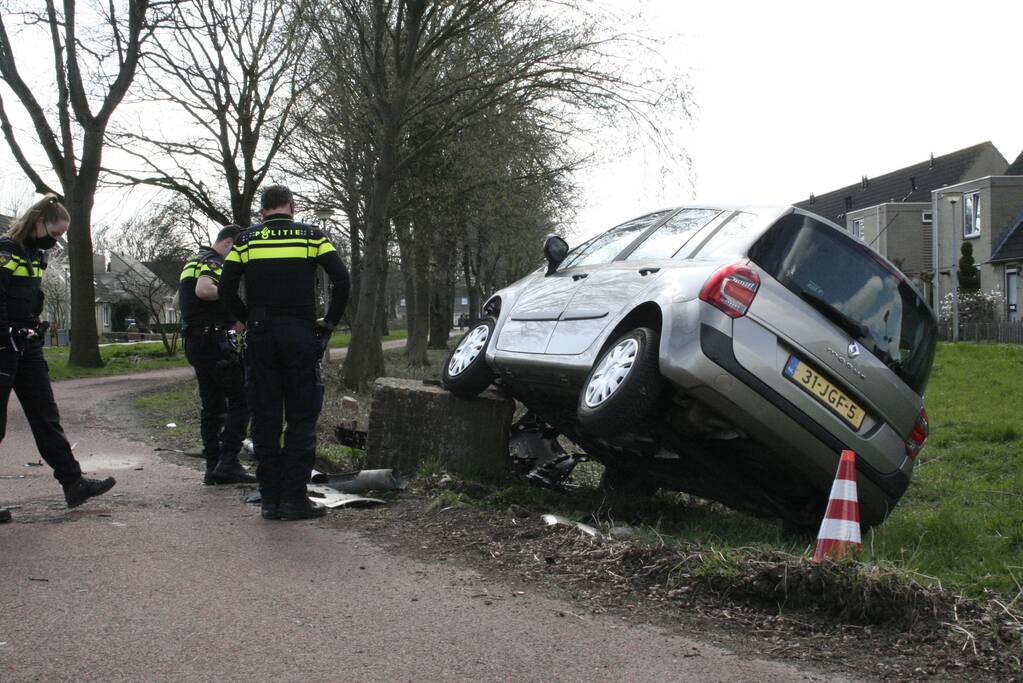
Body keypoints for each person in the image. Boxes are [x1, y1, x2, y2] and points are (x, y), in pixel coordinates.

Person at [219, 185, 350, 521]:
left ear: (262, 211)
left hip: (261, 335)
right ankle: (294, 499)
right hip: (300, 332)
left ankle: (269, 500)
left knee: (265, 417)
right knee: (301, 416)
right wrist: (329, 323)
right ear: (292, 206)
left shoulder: (245, 241)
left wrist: (245, 319)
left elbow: (225, 287)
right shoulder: (312, 236)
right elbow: (342, 280)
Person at [0, 195, 116, 521]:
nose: (55, 241)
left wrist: (33, 325)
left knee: (45, 415)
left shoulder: (36, 256)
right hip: (3, 344)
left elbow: (28, 299)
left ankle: (73, 483)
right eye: (53, 233)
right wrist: (7, 332)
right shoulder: (6, 251)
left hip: (27, 345)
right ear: (38, 221)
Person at [179, 225, 255, 485]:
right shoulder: (213, 261)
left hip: (195, 340)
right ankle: (228, 462)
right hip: (214, 342)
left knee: (212, 405)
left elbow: (190, 299)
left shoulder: (194, 259)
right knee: (242, 398)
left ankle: (213, 467)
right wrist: (234, 303)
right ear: (229, 243)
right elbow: (204, 290)